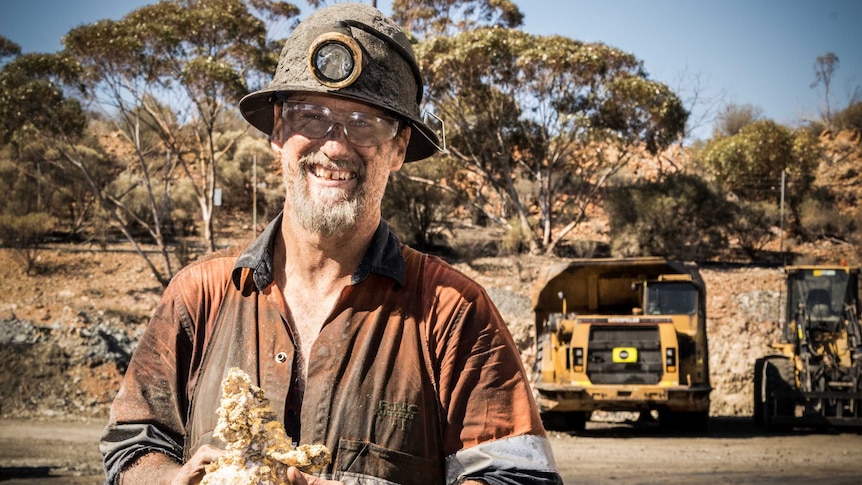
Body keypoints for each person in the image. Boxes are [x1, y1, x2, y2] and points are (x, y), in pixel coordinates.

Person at [99, 3, 562, 484]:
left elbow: (519, 478)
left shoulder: (453, 313)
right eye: (311, 116)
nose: (335, 145)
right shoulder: (200, 296)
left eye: (365, 122)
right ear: (278, 129)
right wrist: (170, 480)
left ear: (400, 147)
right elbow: (133, 445)